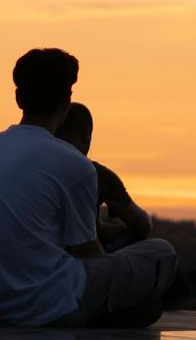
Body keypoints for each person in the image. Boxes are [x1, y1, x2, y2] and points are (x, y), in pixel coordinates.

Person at [0, 48, 177, 329]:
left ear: (18, 98)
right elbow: (87, 252)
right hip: (37, 305)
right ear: (67, 101)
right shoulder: (74, 164)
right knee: (162, 253)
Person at [56, 103, 153, 244]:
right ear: (86, 138)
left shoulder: (39, 168)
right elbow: (142, 225)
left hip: (38, 258)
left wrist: (101, 228)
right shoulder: (96, 174)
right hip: (81, 260)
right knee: (161, 249)